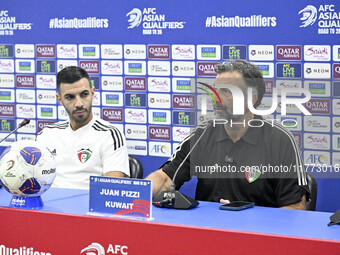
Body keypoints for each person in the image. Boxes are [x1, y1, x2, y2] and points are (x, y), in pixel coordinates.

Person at [147, 60, 309, 209]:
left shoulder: (279, 140)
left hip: (259, 235)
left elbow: (295, 208)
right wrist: (135, 193)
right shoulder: (202, 135)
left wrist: (246, 217)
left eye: (226, 91)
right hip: (207, 232)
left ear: (251, 99)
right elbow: (165, 180)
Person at [37, 66, 129, 189]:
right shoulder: (46, 134)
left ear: (92, 93)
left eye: (84, 94)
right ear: (60, 99)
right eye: (70, 97)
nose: (79, 104)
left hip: (87, 206)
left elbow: (111, 190)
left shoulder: (110, 135)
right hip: (47, 206)